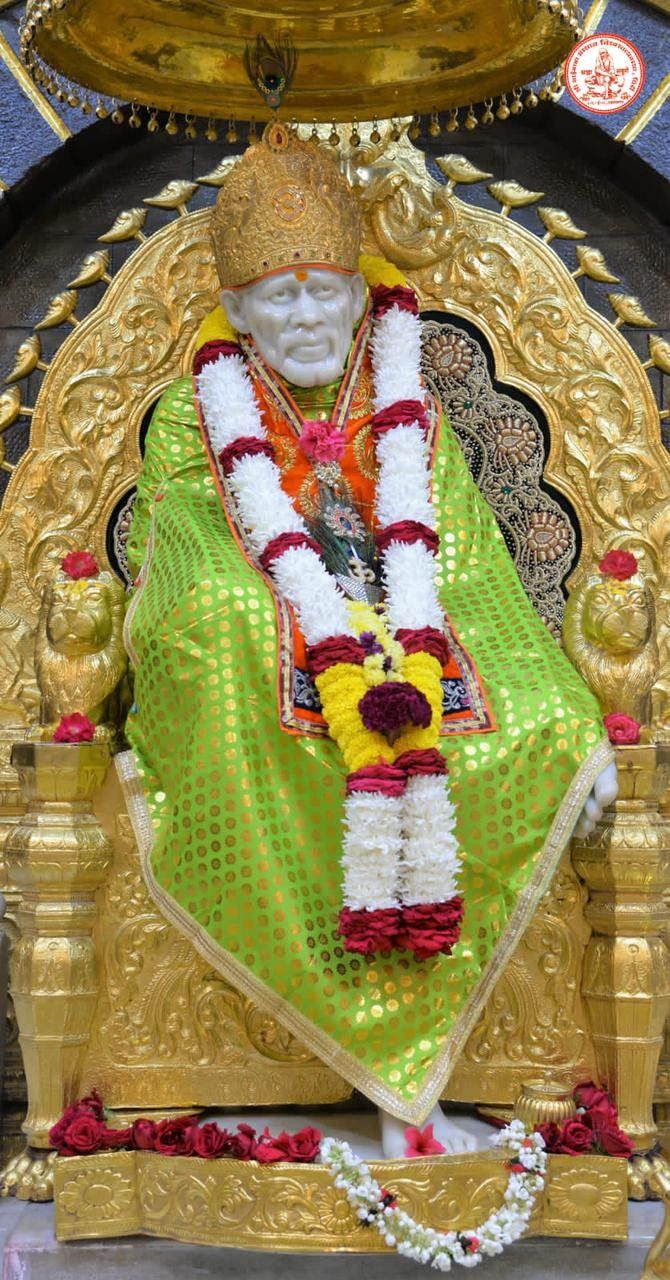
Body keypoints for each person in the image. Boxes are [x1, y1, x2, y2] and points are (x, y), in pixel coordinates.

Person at [121, 123, 617, 1158]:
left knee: (533, 720)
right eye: (280, 297)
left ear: (360, 300)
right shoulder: (190, 412)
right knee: (218, 630)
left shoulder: (408, 409)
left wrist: (572, 717)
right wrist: (302, 622)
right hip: (274, 647)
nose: (305, 316)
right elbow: (189, 568)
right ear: (239, 311)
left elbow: (471, 566)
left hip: (416, 641)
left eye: (322, 293)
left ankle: (446, 1059)